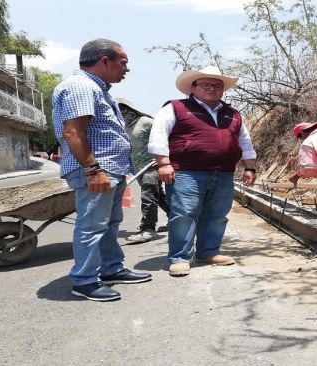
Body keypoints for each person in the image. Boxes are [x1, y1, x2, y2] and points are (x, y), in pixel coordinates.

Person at [52, 38, 152, 302]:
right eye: (123, 63)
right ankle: (84, 281)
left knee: (110, 224)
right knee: (92, 225)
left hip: (111, 169)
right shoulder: (82, 87)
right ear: (104, 61)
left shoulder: (98, 89)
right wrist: (93, 169)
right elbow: (73, 131)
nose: (127, 69)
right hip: (98, 169)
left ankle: (111, 268)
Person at [148, 66, 257, 277]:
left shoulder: (232, 114)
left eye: (217, 85)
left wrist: (250, 167)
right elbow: (159, 136)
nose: (212, 88)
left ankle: (208, 251)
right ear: (193, 87)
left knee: (217, 215)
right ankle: (180, 257)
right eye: (206, 84)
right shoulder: (176, 108)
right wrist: (163, 163)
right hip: (186, 173)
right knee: (184, 214)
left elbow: (245, 142)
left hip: (224, 173)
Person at [116, 98, 170, 243]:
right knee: (157, 196)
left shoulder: (146, 122)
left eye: (123, 109)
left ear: (130, 109)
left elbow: (165, 136)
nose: (120, 113)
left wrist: (163, 159)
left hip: (152, 165)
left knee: (148, 196)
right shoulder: (122, 126)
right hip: (139, 168)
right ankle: (176, 218)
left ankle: (148, 229)